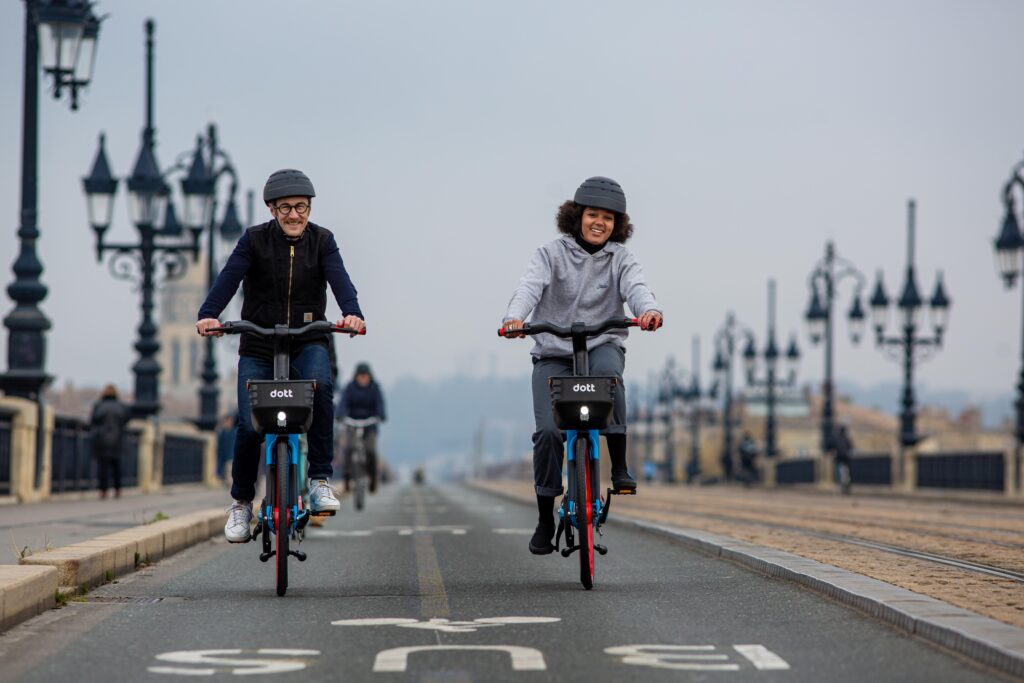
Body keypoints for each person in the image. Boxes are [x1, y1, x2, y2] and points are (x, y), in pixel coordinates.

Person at [196, 169, 366, 543]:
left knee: (321, 390)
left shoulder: (323, 242)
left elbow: (340, 279)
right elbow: (229, 278)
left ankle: (320, 480)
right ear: (272, 209)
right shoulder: (254, 241)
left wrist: (352, 312)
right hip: (258, 342)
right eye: (286, 208)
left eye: (301, 207)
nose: (294, 215)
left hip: (308, 339)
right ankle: (241, 502)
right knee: (247, 421)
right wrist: (208, 313)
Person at [501, 176, 663, 556]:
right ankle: (545, 517)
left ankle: (619, 468)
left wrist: (649, 310)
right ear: (576, 216)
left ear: (617, 224)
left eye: (608, 218)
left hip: (601, 343)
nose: (599, 223)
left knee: (611, 376)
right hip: (553, 351)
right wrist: (514, 318)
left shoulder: (621, 258)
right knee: (549, 433)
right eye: (593, 215)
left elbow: (637, 287)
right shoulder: (549, 254)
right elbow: (528, 287)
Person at [336, 362, 386, 493]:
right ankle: (347, 476)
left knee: (371, 450)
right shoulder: (349, 388)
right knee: (349, 448)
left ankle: (372, 476)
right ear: (356, 376)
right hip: (352, 423)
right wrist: (341, 415)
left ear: (370, 376)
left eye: (365, 376)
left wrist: (380, 415)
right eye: (360, 376)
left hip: (370, 425)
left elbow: (380, 404)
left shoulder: (375, 388)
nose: (363, 378)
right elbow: (343, 403)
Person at [89, 384, 130, 499]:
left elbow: (93, 421)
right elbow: (126, 420)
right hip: (117, 440)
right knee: (116, 467)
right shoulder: (121, 407)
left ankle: (103, 490)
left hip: (101, 440)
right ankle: (117, 489)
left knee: (103, 467)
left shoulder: (99, 406)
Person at [215, 413, 236, 484]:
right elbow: (219, 446)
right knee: (224, 476)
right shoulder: (222, 432)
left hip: (231, 457)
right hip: (223, 457)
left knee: (229, 476)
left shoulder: (234, 432)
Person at [833, 424, 854, 495]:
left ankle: (842, 485)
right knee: (846, 473)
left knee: (839, 473)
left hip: (839, 459)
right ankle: (847, 485)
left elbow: (830, 447)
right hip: (846, 459)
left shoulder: (836, 439)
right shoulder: (847, 439)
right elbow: (851, 448)